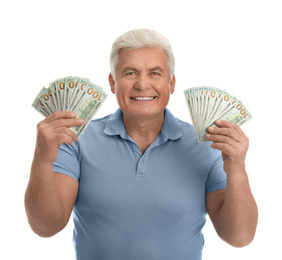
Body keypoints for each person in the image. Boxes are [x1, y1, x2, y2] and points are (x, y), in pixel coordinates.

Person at [25, 28, 258, 260]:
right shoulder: (75, 139)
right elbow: (46, 227)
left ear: (171, 83)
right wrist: (43, 158)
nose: (142, 84)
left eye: (155, 73)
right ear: (113, 82)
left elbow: (239, 237)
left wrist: (237, 168)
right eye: (130, 73)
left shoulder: (207, 145)